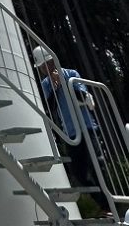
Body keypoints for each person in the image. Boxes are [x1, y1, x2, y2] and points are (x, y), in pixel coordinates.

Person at [32, 46, 112, 218]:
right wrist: (54, 87)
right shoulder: (46, 84)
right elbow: (51, 107)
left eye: (45, 65)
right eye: (42, 67)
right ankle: (103, 203)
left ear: (52, 61)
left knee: (97, 165)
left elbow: (83, 97)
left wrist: (63, 82)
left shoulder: (71, 74)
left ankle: (108, 206)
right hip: (71, 132)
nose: (44, 69)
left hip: (86, 127)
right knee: (78, 171)